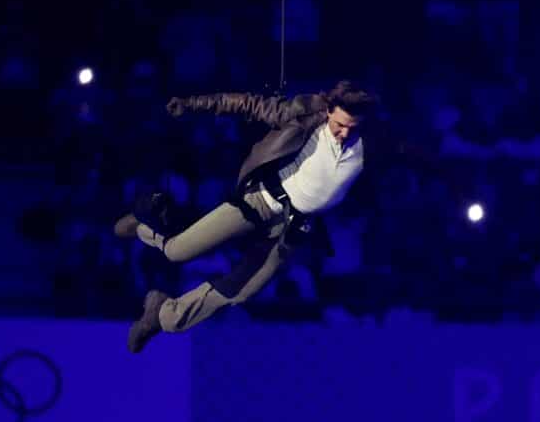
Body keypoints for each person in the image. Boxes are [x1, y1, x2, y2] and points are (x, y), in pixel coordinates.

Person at [115, 80, 377, 353]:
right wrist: (191, 104)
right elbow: (245, 103)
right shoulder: (304, 115)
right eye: (340, 125)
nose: (345, 133)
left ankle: (165, 313)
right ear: (328, 111)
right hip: (260, 201)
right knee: (177, 252)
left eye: (352, 127)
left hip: (291, 227)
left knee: (243, 291)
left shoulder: (368, 143)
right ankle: (143, 226)